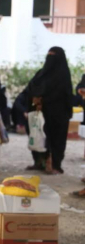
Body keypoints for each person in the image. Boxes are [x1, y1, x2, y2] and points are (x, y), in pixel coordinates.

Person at [28, 47, 72, 175]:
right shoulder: (41, 73)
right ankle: (39, 162)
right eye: (49, 54)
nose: (50, 58)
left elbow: (64, 94)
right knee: (39, 136)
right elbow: (32, 87)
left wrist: (44, 100)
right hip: (42, 113)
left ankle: (55, 165)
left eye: (54, 55)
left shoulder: (64, 75)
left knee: (56, 139)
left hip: (58, 114)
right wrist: (36, 99)